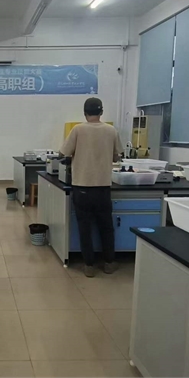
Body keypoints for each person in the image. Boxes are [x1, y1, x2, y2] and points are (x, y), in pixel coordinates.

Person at [60, 97, 122, 277]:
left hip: (82, 187)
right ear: (101, 112)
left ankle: (89, 266)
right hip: (103, 188)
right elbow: (117, 156)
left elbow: (63, 153)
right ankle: (109, 263)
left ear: (85, 113)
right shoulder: (111, 130)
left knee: (84, 228)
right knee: (106, 227)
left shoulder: (78, 130)